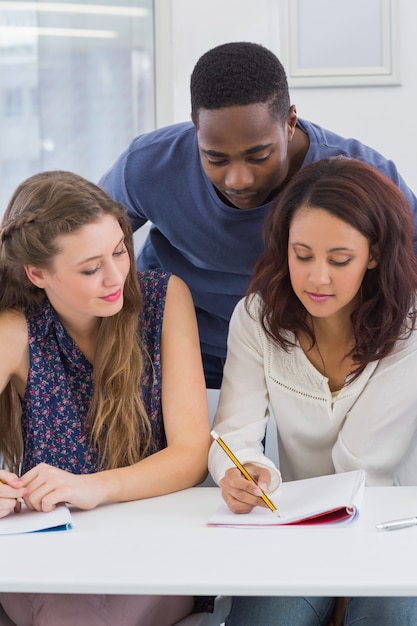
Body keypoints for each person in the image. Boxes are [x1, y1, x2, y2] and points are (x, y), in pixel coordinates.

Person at [99, 41, 417, 389]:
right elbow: (80, 242)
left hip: (298, 351)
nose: (238, 180)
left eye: (258, 156)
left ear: (290, 122)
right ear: (195, 127)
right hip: (171, 343)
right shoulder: (147, 165)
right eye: (216, 159)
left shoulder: (361, 177)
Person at [208, 157, 417, 626]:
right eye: (302, 255)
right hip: (301, 529)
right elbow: (232, 435)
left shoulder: (411, 327)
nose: (316, 278)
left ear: (375, 253)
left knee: (391, 616)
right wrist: (246, 474)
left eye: (339, 260)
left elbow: (365, 463)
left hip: (394, 529)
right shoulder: (255, 318)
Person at [0, 171, 211, 626]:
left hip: (152, 546)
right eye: (91, 268)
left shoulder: (162, 299)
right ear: (37, 273)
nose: (117, 276)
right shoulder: (15, 330)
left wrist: (94, 487)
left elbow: (192, 456)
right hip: (51, 554)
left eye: (120, 251)